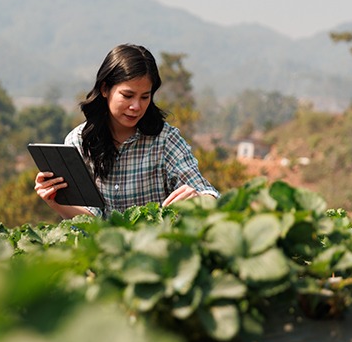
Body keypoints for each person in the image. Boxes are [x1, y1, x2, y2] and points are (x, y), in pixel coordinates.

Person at [34, 43, 219, 219]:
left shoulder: (165, 140)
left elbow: (208, 193)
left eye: (145, 97)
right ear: (105, 89)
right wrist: (54, 201)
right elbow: (91, 220)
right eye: (127, 95)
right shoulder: (79, 141)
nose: (136, 106)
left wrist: (198, 200)